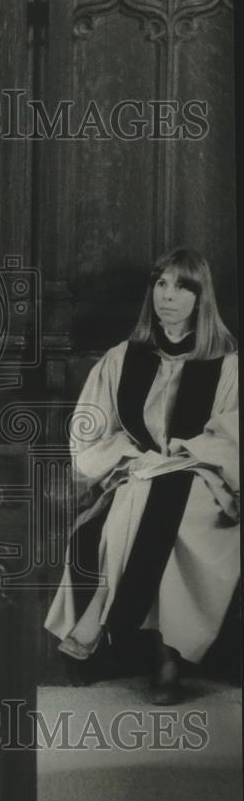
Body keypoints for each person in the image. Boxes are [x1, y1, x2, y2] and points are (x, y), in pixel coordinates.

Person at [45, 247, 239, 704]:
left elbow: (232, 438)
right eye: (161, 283)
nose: (167, 295)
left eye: (182, 286)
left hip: (200, 478)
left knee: (175, 512)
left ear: (201, 298)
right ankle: (155, 653)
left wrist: (183, 456)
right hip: (134, 472)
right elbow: (91, 428)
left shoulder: (227, 365)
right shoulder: (122, 359)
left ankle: (169, 653)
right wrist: (132, 457)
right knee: (135, 503)